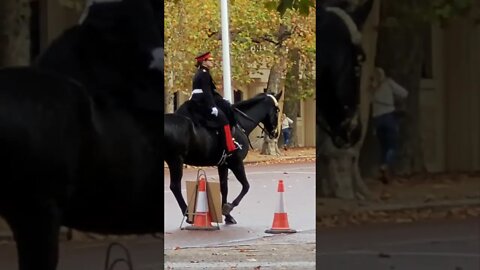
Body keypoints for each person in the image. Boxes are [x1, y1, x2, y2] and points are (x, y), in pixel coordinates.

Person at [190, 51, 237, 159]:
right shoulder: (204, 73)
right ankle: (228, 147)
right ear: (204, 62)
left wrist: (220, 99)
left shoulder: (201, 72)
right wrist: (212, 106)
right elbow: (206, 92)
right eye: (210, 60)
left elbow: (210, 91)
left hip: (200, 99)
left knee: (225, 105)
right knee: (224, 120)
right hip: (202, 101)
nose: (212, 62)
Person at [371, 67, 408, 183]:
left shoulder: (370, 88)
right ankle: (385, 166)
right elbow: (404, 93)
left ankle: (382, 167)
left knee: (383, 146)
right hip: (388, 117)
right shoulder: (388, 83)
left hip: (377, 120)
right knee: (392, 145)